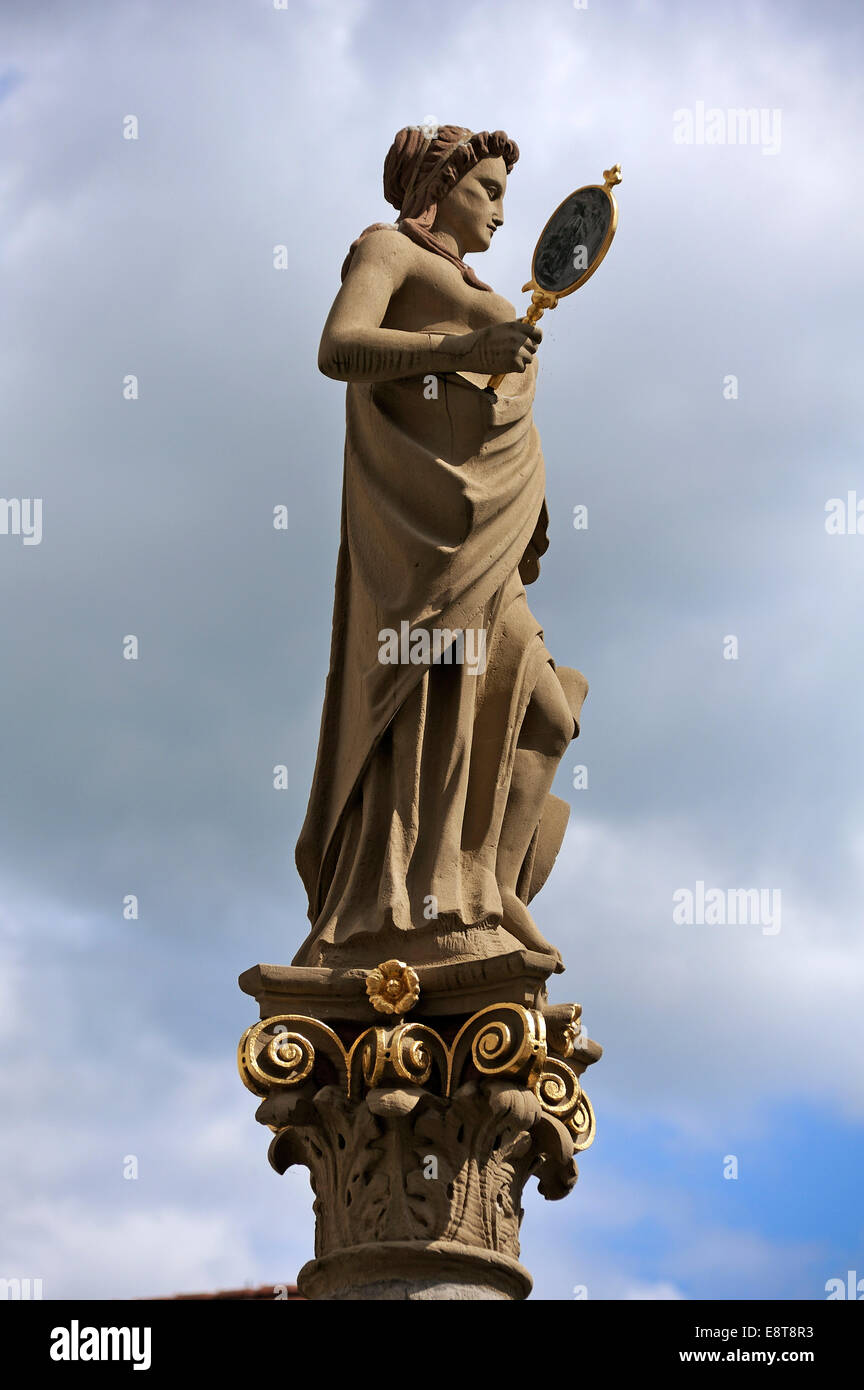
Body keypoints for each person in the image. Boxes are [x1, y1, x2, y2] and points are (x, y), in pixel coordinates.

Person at [293, 124, 587, 972]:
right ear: (439, 183)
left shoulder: (470, 280)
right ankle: (424, 898)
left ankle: (488, 884)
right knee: (450, 702)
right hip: (433, 551)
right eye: (487, 188)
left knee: (547, 715)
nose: (501, 210)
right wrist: (461, 349)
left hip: (488, 535)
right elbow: (340, 347)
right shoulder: (388, 249)